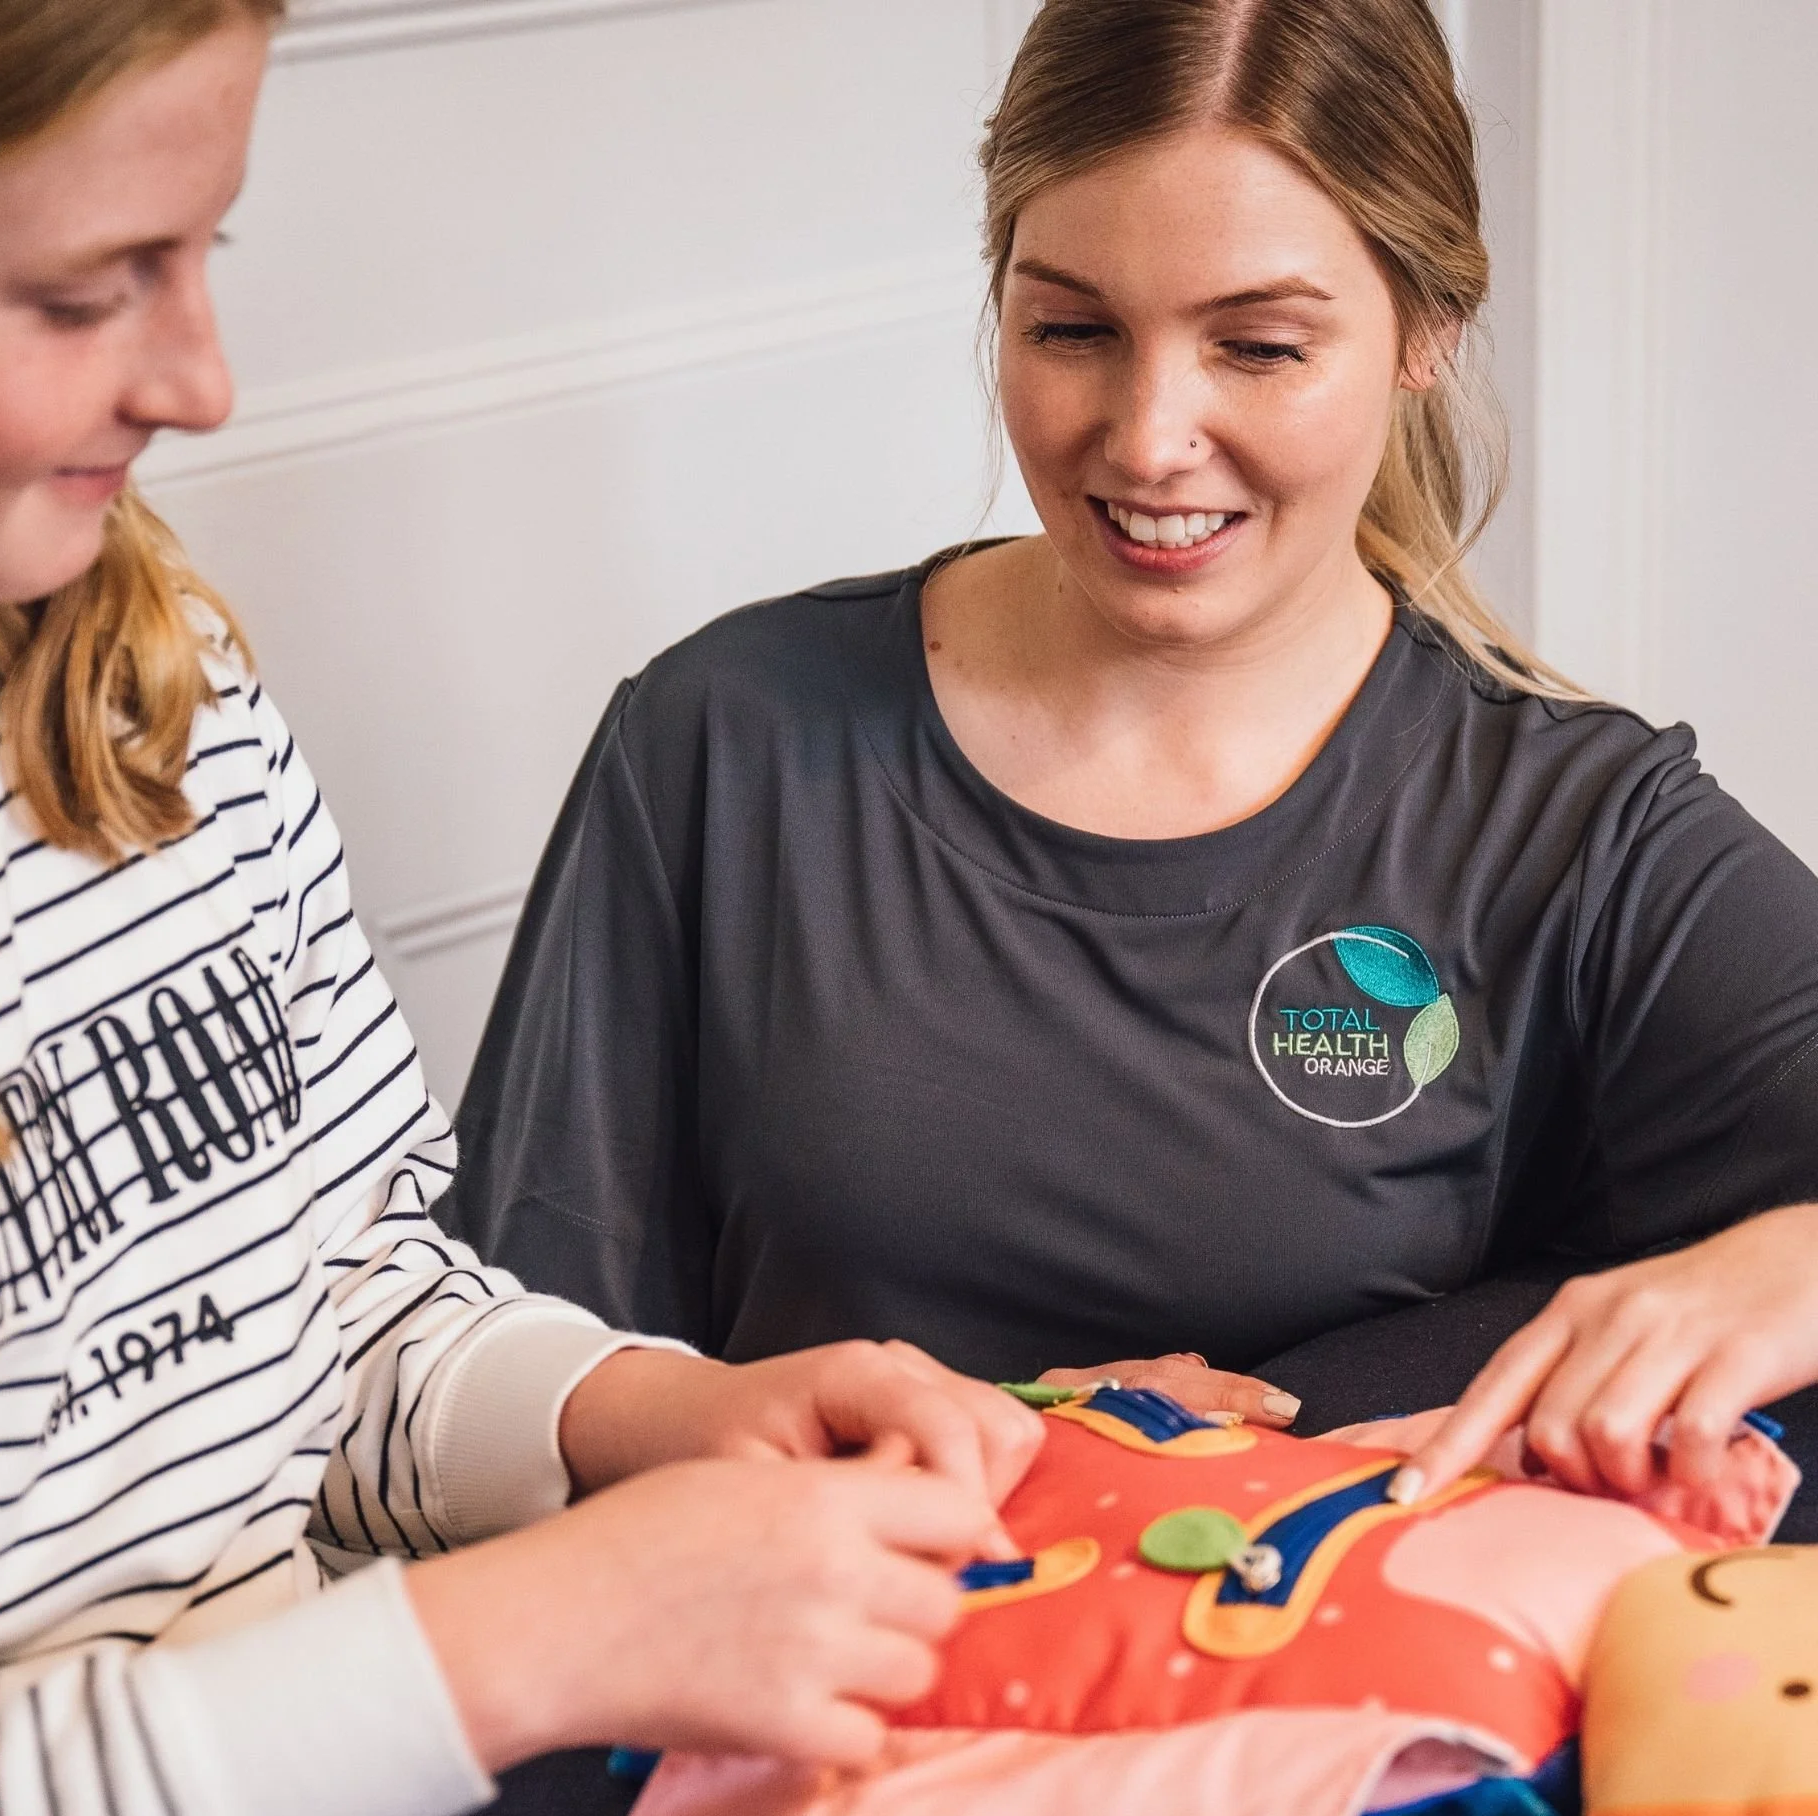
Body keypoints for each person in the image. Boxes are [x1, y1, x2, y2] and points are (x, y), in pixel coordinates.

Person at [0, 3, 1047, 1816]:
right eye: (81, 290)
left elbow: (328, 1304)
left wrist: (656, 1417)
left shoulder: (156, 689)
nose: (199, 379)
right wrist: (539, 1631)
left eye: (200, 254)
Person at [443, 0, 1818, 1511]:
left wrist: (1772, 1272)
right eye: (1074, 329)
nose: (1150, 437)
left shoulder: (1574, 838)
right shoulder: (727, 746)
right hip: (807, 1710)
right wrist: (1027, 1446)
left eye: (1260, 345)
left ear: (1428, 330)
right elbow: (493, 1405)